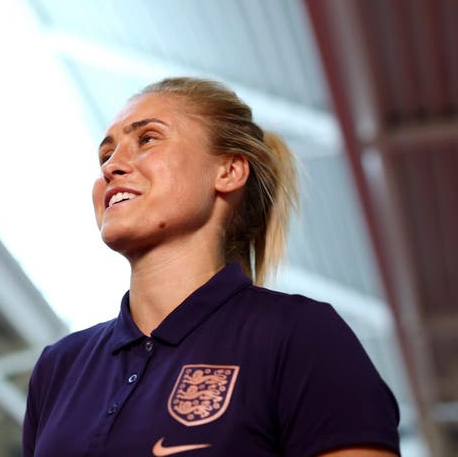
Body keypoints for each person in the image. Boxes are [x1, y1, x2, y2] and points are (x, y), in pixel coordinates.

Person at [22, 77, 400, 456]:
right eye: (105, 155)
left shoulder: (298, 334)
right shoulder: (58, 368)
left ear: (229, 171)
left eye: (148, 139)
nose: (112, 167)